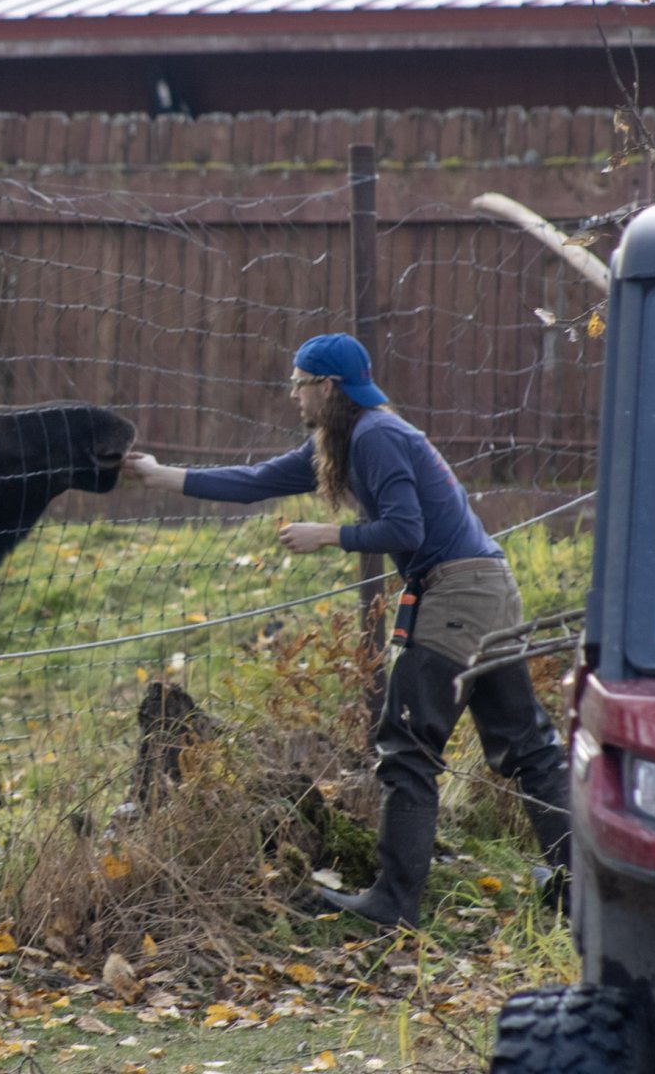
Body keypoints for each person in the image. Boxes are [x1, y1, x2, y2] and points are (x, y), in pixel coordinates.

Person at [123, 333, 570, 928]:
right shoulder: (352, 438)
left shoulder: (376, 436)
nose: (294, 395)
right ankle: (581, 888)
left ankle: (394, 904)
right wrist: (158, 475)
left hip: (458, 593)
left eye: (300, 382)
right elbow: (256, 480)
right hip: (486, 588)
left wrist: (328, 534)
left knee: (409, 748)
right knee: (529, 749)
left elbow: (405, 529)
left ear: (329, 387)